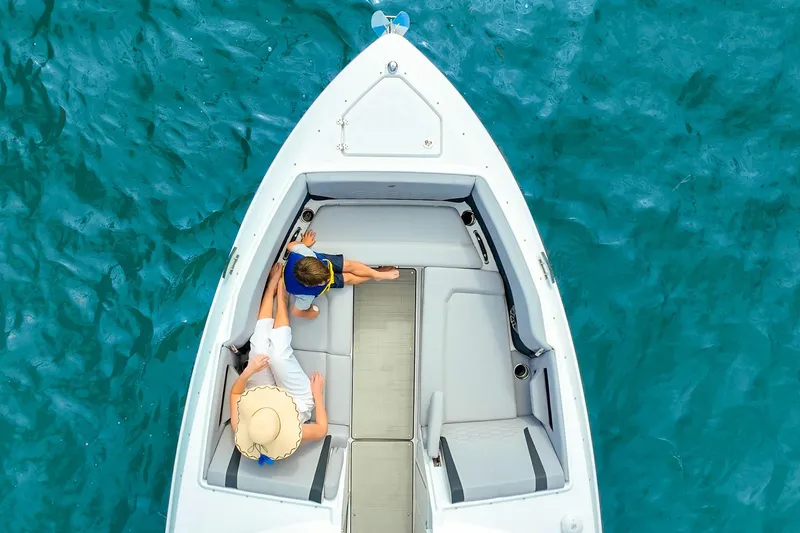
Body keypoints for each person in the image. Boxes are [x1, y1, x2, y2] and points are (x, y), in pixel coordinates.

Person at [229, 264, 328, 461]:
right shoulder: (290, 434)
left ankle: (271, 287)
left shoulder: (247, 424)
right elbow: (321, 429)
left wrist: (250, 371)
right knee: (279, 357)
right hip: (297, 402)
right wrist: (316, 394)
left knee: (259, 350)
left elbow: (236, 392)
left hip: (261, 397)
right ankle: (282, 301)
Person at [285, 229, 399, 319]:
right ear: (309, 286)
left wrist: (303, 243)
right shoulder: (305, 295)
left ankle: (377, 275)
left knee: (349, 265)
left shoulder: (304, 252)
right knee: (348, 278)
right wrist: (310, 314)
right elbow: (296, 312)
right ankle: (375, 276)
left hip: (324, 264)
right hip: (314, 273)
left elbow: (290, 245)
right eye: (323, 282)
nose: (328, 278)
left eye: (327, 276)